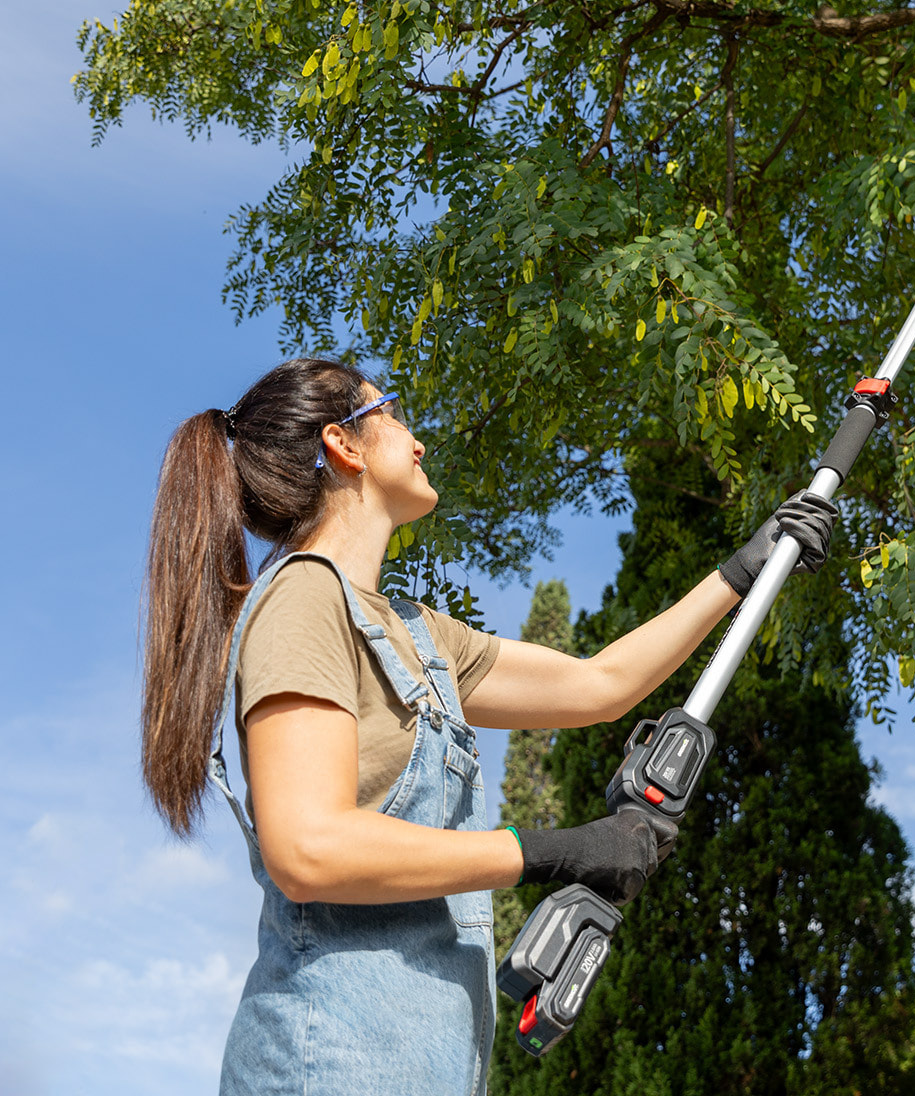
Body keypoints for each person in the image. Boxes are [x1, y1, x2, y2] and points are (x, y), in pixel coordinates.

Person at [140, 357, 838, 1096]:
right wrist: (553, 852)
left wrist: (746, 570)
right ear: (344, 446)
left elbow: (600, 686)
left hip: (427, 1062)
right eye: (394, 413)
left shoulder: (417, 633)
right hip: (332, 1058)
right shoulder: (304, 599)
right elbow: (308, 847)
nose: (417, 441)